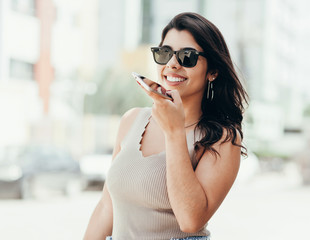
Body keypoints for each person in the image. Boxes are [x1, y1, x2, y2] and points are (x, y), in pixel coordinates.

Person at [83, 12, 248, 240]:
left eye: (187, 56)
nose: (172, 64)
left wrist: (174, 131)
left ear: (213, 71)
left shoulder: (223, 139)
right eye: (165, 53)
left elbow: (191, 220)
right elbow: (105, 209)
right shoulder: (132, 120)